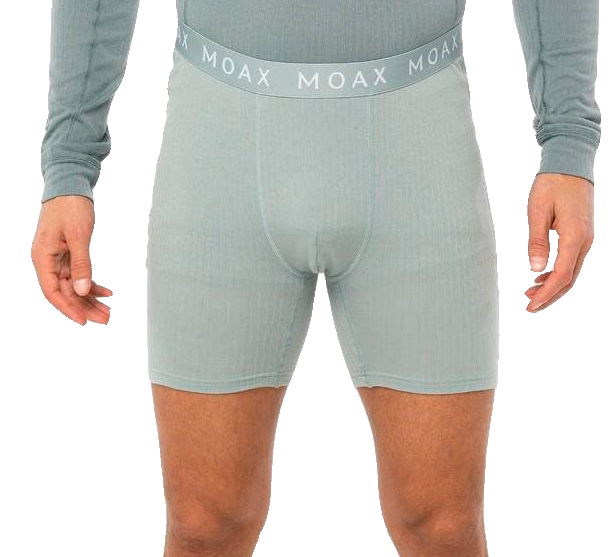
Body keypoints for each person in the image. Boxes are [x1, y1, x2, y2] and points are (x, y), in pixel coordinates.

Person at [32, 1, 599, 556]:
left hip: (419, 139)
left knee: (442, 529)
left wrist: (568, 146)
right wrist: (69, 168)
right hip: (218, 138)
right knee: (205, 526)